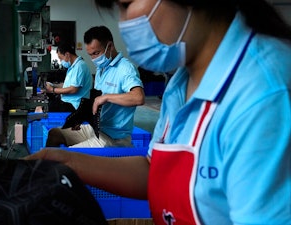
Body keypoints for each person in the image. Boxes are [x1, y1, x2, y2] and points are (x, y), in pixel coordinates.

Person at [26, 0, 291, 224]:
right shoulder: (181, 81)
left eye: (128, 4)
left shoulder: (264, 92)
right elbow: (157, 170)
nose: (125, 23)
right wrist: (63, 161)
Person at [46, 25, 145, 147]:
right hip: (96, 129)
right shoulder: (101, 69)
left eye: (96, 53)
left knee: (68, 155)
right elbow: (96, 101)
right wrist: (81, 118)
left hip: (113, 137)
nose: (93, 58)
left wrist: (107, 97)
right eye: (91, 55)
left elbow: (138, 97)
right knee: (54, 134)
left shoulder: (125, 68)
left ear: (110, 46)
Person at [45, 42, 93, 112]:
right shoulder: (73, 67)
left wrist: (52, 90)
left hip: (74, 106)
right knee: (46, 106)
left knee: (43, 109)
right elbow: (66, 86)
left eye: (61, 58)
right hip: (67, 102)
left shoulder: (80, 66)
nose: (61, 61)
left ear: (67, 55)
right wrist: (52, 85)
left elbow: (73, 89)